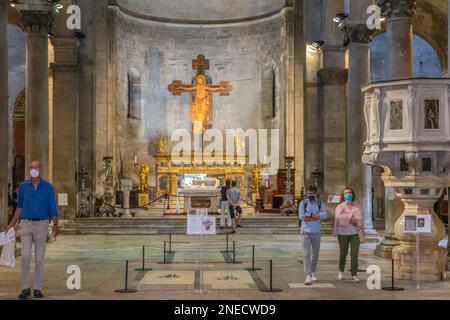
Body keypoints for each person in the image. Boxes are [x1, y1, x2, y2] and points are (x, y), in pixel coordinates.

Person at [4, 161, 59, 300]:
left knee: (39, 258)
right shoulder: (23, 187)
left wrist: (55, 224)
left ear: (41, 170)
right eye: (31, 167)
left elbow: (52, 207)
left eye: (36, 167)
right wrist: (11, 224)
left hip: (41, 224)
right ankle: (25, 288)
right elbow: (19, 207)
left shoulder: (48, 187)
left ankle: (37, 288)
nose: (33, 169)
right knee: (26, 256)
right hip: (26, 224)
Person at [333, 187, 364, 283]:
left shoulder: (357, 206)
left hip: (355, 233)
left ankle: (354, 275)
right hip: (342, 233)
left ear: (352, 194)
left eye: (350, 192)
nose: (348, 194)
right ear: (343, 195)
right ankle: (341, 271)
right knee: (343, 253)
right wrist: (351, 218)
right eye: (346, 193)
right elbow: (338, 218)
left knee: (354, 254)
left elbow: (359, 219)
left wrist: (348, 217)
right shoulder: (340, 207)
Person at [299, 185, 328, 285]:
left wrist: (310, 215)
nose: (311, 195)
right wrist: (315, 216)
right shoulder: (303, 203)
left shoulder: (320, 203)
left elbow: (325, 215)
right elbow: (302, 216)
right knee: (306, 253)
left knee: (315, 254)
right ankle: (308, 275)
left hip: (316, 231)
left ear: (316, 193)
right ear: (306, 193)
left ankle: (312, 271)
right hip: (305, 231)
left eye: (312, 193)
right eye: (309, 193)